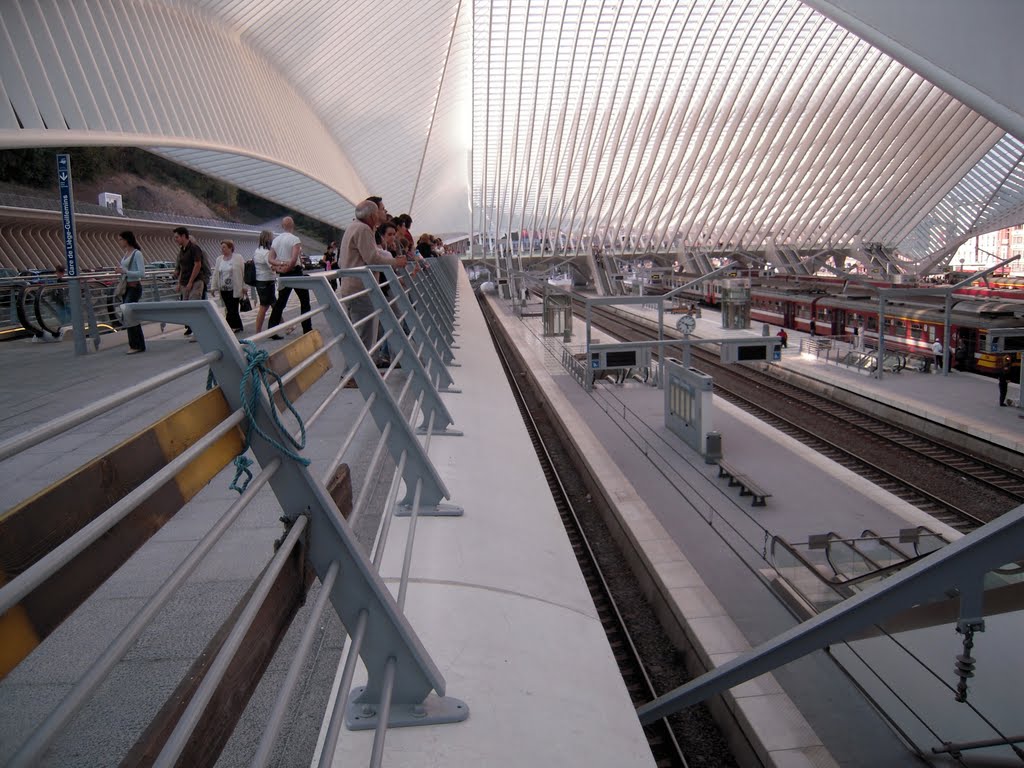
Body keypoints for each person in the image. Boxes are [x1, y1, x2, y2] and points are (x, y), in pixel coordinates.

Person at [339, 199, 407, 359]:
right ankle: (356, 376)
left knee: (360, 334)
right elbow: (372, 258)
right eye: (381, 209)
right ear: (372, 216)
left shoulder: (353, 227)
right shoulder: (363, 229)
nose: (383, 212)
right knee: (366, 337)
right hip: (361, 289)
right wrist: (395, 262)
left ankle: (356, 375)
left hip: (352, 287)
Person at [267, 216, 312, 338]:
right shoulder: (295, 239)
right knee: (304, 301)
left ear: (282, 226)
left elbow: (270, 259)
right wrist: (288, 266)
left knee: (281, 302)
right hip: (295, 272)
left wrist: (281, 265)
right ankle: (307, 328)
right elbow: (294, 259)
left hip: (283, 273)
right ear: (293, 226)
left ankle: (272, 329)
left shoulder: (276, 240)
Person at [172, 226, 210, 338]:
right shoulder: (181, 251)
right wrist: (179, 283)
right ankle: (193, 329)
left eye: (177, 237)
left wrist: (190, 282)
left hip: (196, 282)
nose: (175, 239)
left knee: (194, 307)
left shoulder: (194, 249)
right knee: (187, 308)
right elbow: (182, 268)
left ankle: (199, 331)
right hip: (185, 282)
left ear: (184, 236)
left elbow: (197, 265)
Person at [116, 230, 146, 354]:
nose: (120, 242)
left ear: (127, 239)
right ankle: (137, 344)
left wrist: (125, 272)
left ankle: (136, 344)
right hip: (127, 287)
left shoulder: (136, 253)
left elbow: (141, 273)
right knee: (130, 316)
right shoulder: (125, 254)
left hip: (134, 287)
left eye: (121, 239)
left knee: (128, 314)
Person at [210, 240, 247, 334]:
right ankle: (238, 325)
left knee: (232, 308)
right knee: (229, 307)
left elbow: (243, 272)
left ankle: (229, 326)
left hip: (234, 288)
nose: (222, 249)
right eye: (221, 247)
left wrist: (244, 286)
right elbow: (215, 274)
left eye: (224, 247)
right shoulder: (219, 259)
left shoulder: (238, 258)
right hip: (223, 288)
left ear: (230, 248)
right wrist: (213, 287)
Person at [252, 230, 276, 334]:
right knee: (264, 307)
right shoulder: (266, 253)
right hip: (267, 281)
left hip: (260, 281)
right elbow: (272, 266)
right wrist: (283, 265)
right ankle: (258, 331)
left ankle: (287, 326)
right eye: (272, 237)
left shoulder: (257, 250)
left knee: (274, 304)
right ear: (268, 239)